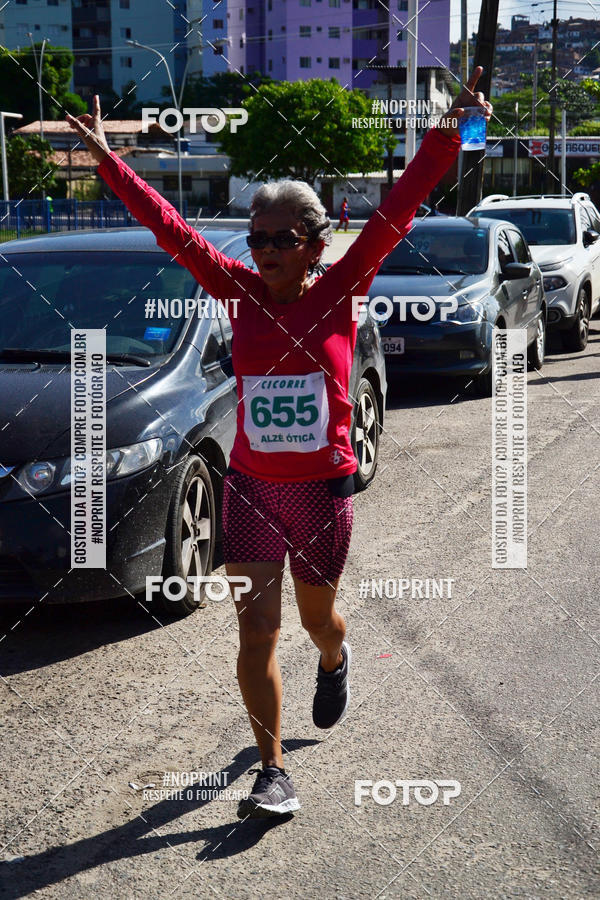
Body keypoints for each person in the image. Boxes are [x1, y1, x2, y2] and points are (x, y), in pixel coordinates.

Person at [66, 69, 491, 820]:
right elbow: (174, 231)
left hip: (321, 492)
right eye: (256, 237)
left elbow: (397, 212)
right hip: (254, 489)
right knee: (256, 626)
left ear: (314, 241)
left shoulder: (342, 287)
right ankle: (272, 768)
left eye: (279, 239)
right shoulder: (238, 290)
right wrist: (110, 163)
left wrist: (451, 131)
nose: (262, 249)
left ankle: (335, 658)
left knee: (316, 621)